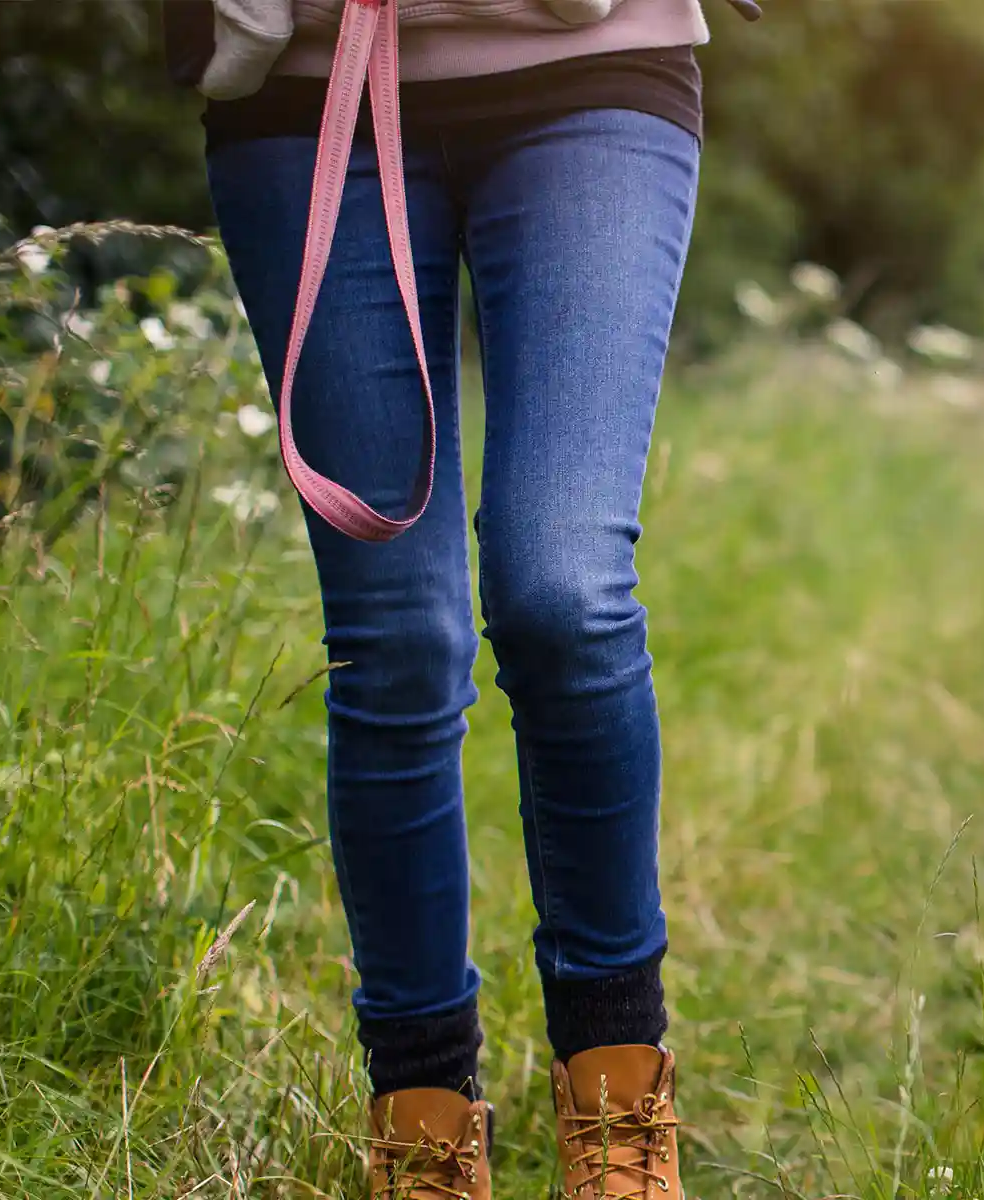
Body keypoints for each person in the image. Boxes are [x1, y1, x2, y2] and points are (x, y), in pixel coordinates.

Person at [164, 2, 747, 1194]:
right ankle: (422, 1129)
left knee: (563, 589)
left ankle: (617, 1114)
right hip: (304, 83)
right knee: (396, 639)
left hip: (589, 63)